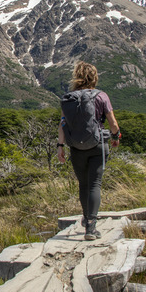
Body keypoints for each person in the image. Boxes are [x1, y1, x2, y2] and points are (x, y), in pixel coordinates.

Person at [57, 61, 121, 240]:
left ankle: (86, 219)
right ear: (94, 76)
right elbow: (113, 123)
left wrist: (60, 146)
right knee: (95, 184)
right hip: (97, 145)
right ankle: (91, 227)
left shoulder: (68, 98)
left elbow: (62, 124)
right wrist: (115, 137)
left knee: (83, 184)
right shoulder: (101, 96)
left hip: (75, 147)